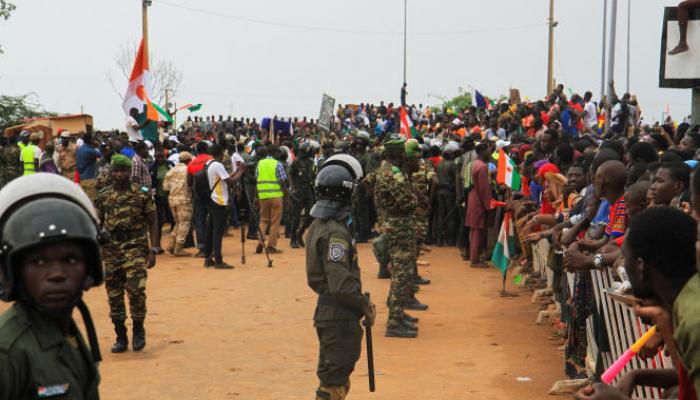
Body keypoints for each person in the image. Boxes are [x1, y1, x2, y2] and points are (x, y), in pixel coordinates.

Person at [575, 207, 698, 399]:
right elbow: (689, 378)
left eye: (626, 258)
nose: (621, 265)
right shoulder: (685, 302)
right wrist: (636, 374)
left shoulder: (694, 320)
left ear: (640, 267)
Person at [0, 174, 104, 399]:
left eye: (70, 260)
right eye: (38, 262)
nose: (57, 274)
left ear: (90, 267)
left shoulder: (67, 332)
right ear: (14, 272)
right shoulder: (8, 352)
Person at [305, 153, 375, 400]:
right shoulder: (336, 233)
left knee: (335, 379)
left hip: (328, 313)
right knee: (333, 384)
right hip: (339, 316)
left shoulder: (317, 226)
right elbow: (340, 283)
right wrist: (363, 304)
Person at [94, 154, 157, 353]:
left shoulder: (141, 194)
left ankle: (138, 330)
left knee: (136, 290)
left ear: (129, 172)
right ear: (112, 172)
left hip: (135, 246)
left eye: (123, 170)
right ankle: (120, 336)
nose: (119, 174)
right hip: (111, 249)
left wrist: (153, 249)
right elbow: (98, 223)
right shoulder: (104, 195)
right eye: (116, 170)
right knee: (114, 293)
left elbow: (153, 221)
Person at [373, 134, 418, 338]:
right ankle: (394, 322)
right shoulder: (394, 173)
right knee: (402, 273)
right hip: (399, 226)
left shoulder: (384, 170)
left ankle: (398, 315)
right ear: (399, 153)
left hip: (393, 224)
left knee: (399, 271)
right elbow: (408, 203)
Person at [202, 144, 245, 269]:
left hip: (212, 199)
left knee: (210, 230)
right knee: (218, 231)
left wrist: (237, 171)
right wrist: (241, 172)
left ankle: (208, 258)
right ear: (220, 153)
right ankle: (218, 261)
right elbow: (230, 182)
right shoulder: (217, 165)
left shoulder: (209, 164)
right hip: (219, 201)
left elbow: (225, 177)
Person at [255, 145, 289, 254]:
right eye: (278, 153)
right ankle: (271, 246)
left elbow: (257, 180)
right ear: (275, 153)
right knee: (275, 221)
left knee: (263, 219)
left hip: (263, 196)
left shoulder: (260, 164)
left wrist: (256, 197)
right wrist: (286, 196)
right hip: (276, 196)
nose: (279, 155)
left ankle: (260, 240)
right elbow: (283, 182)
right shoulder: (277, 164)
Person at [466, 142, 493, 267]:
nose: (490, 152)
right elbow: (484, 189)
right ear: (483, 151)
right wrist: (488, 205)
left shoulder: (473, 164)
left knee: (473, 229)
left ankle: (474, 257)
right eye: (488, 150)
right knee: (477, 230)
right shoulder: (482, 167)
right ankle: (475, 260)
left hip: (472, 197)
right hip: (478, 200)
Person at [163, 151, 194, 256]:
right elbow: (191, 185)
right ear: (188, 160)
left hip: (172, 200)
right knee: (184, 223)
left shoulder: (171, 171)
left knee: (178, 223)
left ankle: (171, 246)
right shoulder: (188, 170)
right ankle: (179, 248)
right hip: (184, 200)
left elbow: (166, 188)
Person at [289, 142, 316, 249]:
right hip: (298, 190)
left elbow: (312, 175)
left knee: (312, 214)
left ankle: (300, 233)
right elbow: (290, 174)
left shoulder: (310, 162)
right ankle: (293, 239)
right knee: (296, 216)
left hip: (308, 190)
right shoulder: (296, 162)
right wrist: (292, 188)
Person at [76, 132, 101, 201]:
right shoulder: (90, 151)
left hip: (82, 179)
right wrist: (97, 145)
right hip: (90, 180)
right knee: (93, 201)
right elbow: (100, 154)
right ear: (90, 140)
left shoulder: (80, 149)